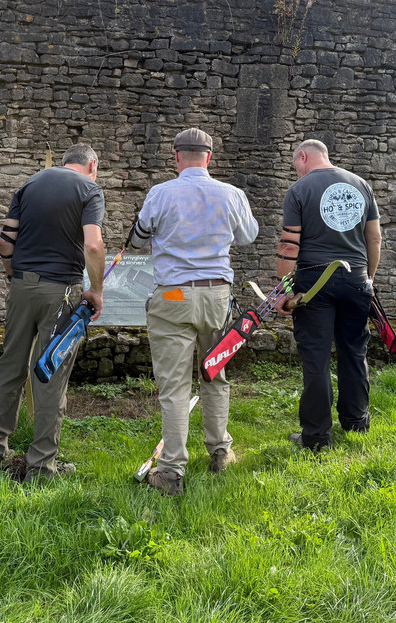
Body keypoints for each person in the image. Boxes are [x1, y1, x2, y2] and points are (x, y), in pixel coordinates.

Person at [130, 128, 258, 496]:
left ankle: (171, 470)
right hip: (217, 295)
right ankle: (220, 451)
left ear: (175, 157)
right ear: (209, 157)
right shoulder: (232, 194)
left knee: (174, 387)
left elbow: (138, 240)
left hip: (172, 296)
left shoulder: (161, 193)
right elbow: (248, 235)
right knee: (214, 372)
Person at [0, 143, 106, 482]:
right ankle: (41, 467)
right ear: (91, 165)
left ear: (64, 163)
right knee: (50, 373)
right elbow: (93, 244)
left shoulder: (29, 184)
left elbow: (6, 242)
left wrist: (12, 278)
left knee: (10, 367)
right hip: (60, 291)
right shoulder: (90, 190)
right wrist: (96, 289)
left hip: (21, 287)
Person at [276, 139, 381, 450]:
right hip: (356, 279)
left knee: (316, 359)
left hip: (313, 283)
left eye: (295, 164)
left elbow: (288, 246)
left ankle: (317, 437)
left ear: (304, 156)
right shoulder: (361, 184)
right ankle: (356, 422)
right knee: (354, 352)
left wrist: (283, 289)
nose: (295, 171)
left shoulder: (299, 190)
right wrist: (369, 278)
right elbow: (373, 238)